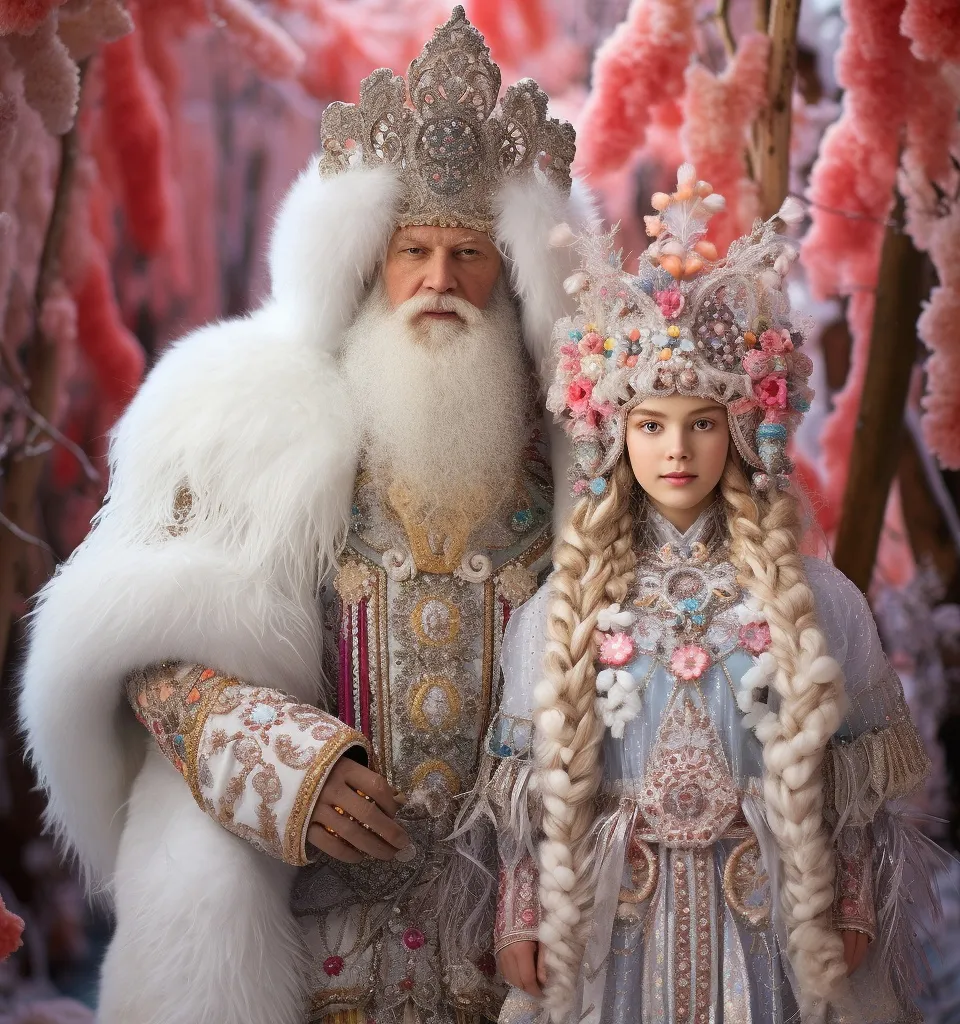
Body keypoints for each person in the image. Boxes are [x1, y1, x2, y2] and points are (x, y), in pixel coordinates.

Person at [18, 9, 592, 1024]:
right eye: (413, 249)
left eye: (469, 255)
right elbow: (150, 659)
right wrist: (286, 769)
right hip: (311, 947)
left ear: (509, 273)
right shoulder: (242, 414)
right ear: (369, 260)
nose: (439, 282)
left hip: (519, 940)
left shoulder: (586, 451)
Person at [467, 166, 938, 1024]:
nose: (675, 449)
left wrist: (855, 903)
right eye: (650, 424)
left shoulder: (821, 603)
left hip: (773, 933)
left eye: (701, 423)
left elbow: (863, 785)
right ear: (615, 433)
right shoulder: (556, 614)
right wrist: (520, 915)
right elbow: (522, 802)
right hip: (611, 932)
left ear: (741, 430)